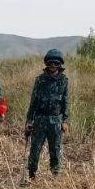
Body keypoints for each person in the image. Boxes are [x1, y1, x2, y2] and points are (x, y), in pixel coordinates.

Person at [24, 49, 69, 180]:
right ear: (47, 64)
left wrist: (65, 120)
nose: (53, 66)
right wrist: (29, 121)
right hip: (40, 119)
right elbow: (33, 102)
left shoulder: (64, 81)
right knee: (35, 148)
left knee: (55, 149)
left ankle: (55, 175)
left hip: (56, 120)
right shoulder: (40, 80)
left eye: (56, 63)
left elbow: (66, 102)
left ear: (60, 64)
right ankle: (32, 175)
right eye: (50, 63)